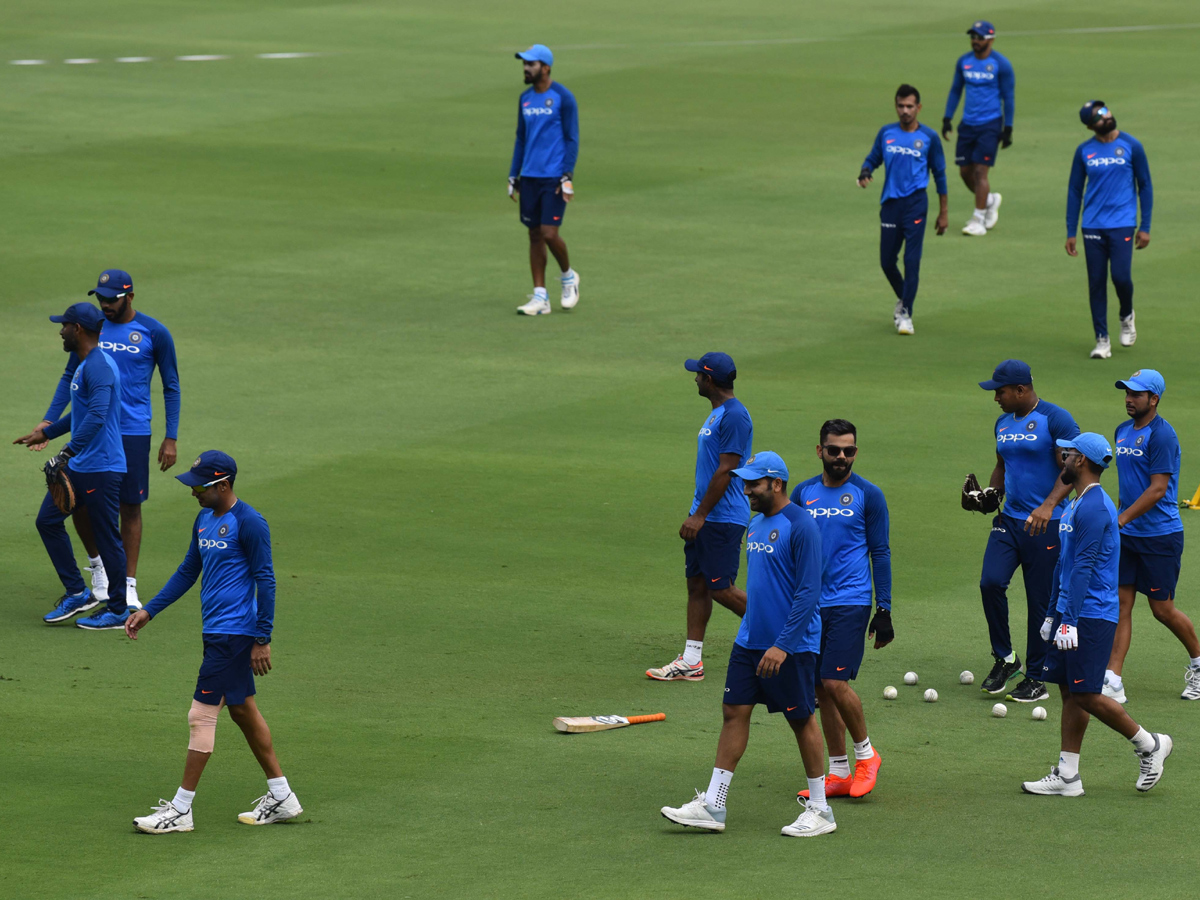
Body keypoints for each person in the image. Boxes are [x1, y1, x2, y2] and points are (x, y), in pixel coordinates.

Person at [126, 451, 302, 833]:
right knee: (241, 711)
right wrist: (150, 610)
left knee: (201, 715)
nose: (194, 493)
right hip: (216, 632)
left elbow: (266, 580)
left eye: (201, 487)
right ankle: (283, 796)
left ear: (223, 485)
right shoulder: (204, 518)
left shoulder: (250, 523)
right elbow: (189, 569)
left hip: (235, 634)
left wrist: (262, 637)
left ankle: (180, 810)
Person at [660, 452, 835, 837]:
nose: (745, 490)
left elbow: (808, 593)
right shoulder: (755, 524)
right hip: (750, 642)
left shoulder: (801, 525)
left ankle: (821, 810)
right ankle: (713, 805)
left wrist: (783, 645)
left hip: (791, 647)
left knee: (800, 718)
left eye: (753, 483)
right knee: (733, 712)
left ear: (776, 483)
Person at [1022, 434, 1173, 797]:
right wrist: (1051, 614)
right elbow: (1065, 564)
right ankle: (1068, 777)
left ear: (1083, 461)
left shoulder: (1095, 508)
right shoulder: (1078, 502)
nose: (1064, 458)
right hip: (1070, 611)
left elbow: (1085, 567)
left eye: (1069, 454)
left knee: (1087, 693)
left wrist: (1070, 619)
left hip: (1091, 615)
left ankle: (1150, 744)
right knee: (1068, 690)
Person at [33, 270, 181, 610]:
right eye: (100, 298)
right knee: (78, 500)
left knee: (129, 506)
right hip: (91, 429)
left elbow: (171, 385)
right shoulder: (90, 330)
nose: (104, 304)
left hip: (132, 430)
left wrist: (170, 436)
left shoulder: (154, 332)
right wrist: (48, 422)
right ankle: (99, 570)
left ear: (130, 297)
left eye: (111, 298)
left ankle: (127, 584)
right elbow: (70, 376)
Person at [967, 360, 1079, 701]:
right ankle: (1005, 657)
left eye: (1000, 392)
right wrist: (989, 495)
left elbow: (1074, 466)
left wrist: (1047, 506)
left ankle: (1037, 676)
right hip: (1010, 522)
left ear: (1020, 390)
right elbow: (1002, 465)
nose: (996, 398)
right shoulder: (1002, 422)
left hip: (1048, 524)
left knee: (1040, 602)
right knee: (990, 582)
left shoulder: (1055, 418)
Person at [13, 302, 129, 629]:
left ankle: (119, 610)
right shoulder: (83, 363)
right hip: (82, 465)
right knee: (47, 520)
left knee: (107, 538)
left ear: (78, 329)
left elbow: (97, 415)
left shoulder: (99, 366)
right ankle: (78, 591)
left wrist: (65, 452)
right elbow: (80, 414)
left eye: (63, 325)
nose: (60, 331)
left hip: (102, 468)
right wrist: (45, 433)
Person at [792, 420, 891, 800]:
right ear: (820, 451)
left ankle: (867, 756)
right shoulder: (803, 494)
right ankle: (838, 772)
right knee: (820, 687)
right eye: (834, 450)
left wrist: (884, 609)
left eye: (849, 450)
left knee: (834, 682)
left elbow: (880, 552)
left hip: (851, 600)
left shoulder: (869, 494)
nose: (841, 457)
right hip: (811, 603)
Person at [647, 353, 751, 681]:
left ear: (709, 380)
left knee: (721, 588)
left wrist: (701, 515)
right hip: (705, 514)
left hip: (722, 518)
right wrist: (696, 512)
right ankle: (692, 660)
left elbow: (728, 468)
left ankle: (786, 638)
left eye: (697, 375)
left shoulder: (734, 416)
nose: (694, 379)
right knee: (698, 585)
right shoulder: (718, 413)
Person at [1103, 370, 1200, 702]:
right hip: (1127, 534)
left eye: (1137, 394)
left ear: (1154, 399)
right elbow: (1129, 484)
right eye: (1127, 393)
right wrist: (1119, 517)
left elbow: (1158, 489)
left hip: (1160, 536)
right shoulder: (1122, 430)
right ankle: (1113, 678)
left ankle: (1199, 664)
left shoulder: (1162, 436)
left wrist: (1121, 519)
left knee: (1162, 610)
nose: (1129, 399)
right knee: (1121, 603)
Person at [858, 84, 948, 335]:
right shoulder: (887, 133)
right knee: (887, 262)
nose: (905, 111)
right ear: (895, 106)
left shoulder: (929, 138)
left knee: (911, 260)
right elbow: (874, 157)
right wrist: (866, 170)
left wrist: (944, 213)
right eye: (901, 106)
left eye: (910, 106)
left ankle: (906, 312)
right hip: (890, 205)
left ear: (919, 108)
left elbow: (940, 175)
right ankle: (904, 297)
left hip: (916, 204)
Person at [1066, 101, 1153, 360]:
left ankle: (1126, 315)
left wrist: (1145, 226)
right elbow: (1074, 190)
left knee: (1121, 277)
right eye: (1099, 116)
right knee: (1096, 282)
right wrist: (1071, 231)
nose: (1106, 117)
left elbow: (1145, 185)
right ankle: (1102, 339)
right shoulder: (1084, 151)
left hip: (1123, 222)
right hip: (1092, 224)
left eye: (1106, 111)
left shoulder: (1131, 145)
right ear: (1090, 125)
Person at [509, 44, 580, 316]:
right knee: (534, 234)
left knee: (550, 233)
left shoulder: (563, 97)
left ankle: (568, 276)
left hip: (553, 176)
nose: (526, 68)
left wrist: (567, 175)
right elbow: (521, 138)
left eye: (532, 64)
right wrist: (513, 174)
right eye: (525, 64)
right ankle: (540, 296)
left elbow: (571, 138)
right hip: (529, 177)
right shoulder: (525, 99)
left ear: (546, 67)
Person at [941, 20, 1014, 236]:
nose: (975, 41)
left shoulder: (1001, 64)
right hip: (968, 124)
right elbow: (956, 90)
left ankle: (978, 219)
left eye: (980, 37)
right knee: (965, 172)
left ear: (991, 39)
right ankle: (990, 200)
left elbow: (1008, 97)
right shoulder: (964, 62)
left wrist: (1008, 127)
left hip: (990, 124)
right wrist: (947, 117)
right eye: (973, 37)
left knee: (981, 171)